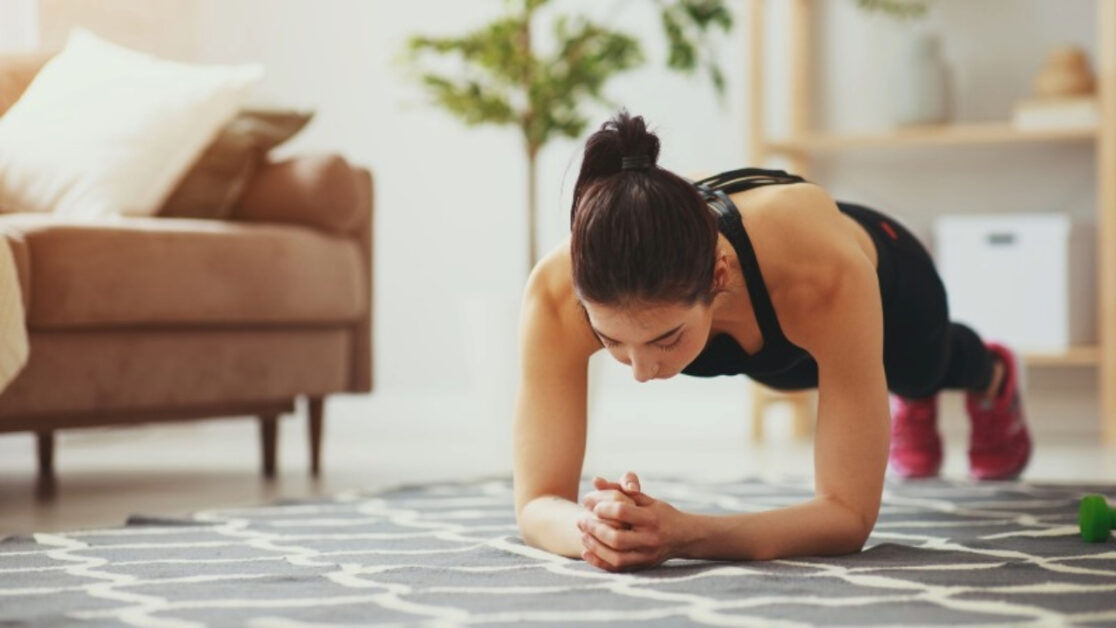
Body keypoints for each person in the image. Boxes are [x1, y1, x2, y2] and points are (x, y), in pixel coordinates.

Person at [512, 110, 1031, 572]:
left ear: (718, 276)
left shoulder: (821, 274)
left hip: (893, 293)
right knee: (837, 384)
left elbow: (847, 518)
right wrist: (598, 533)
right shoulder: (559, 293)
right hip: (775, 342)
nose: (641, 371)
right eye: (612, 342)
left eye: (665, 340)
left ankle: (986, 373)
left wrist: (684, 535)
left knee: (920, 370)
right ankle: (896, 400)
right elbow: (536, 503)